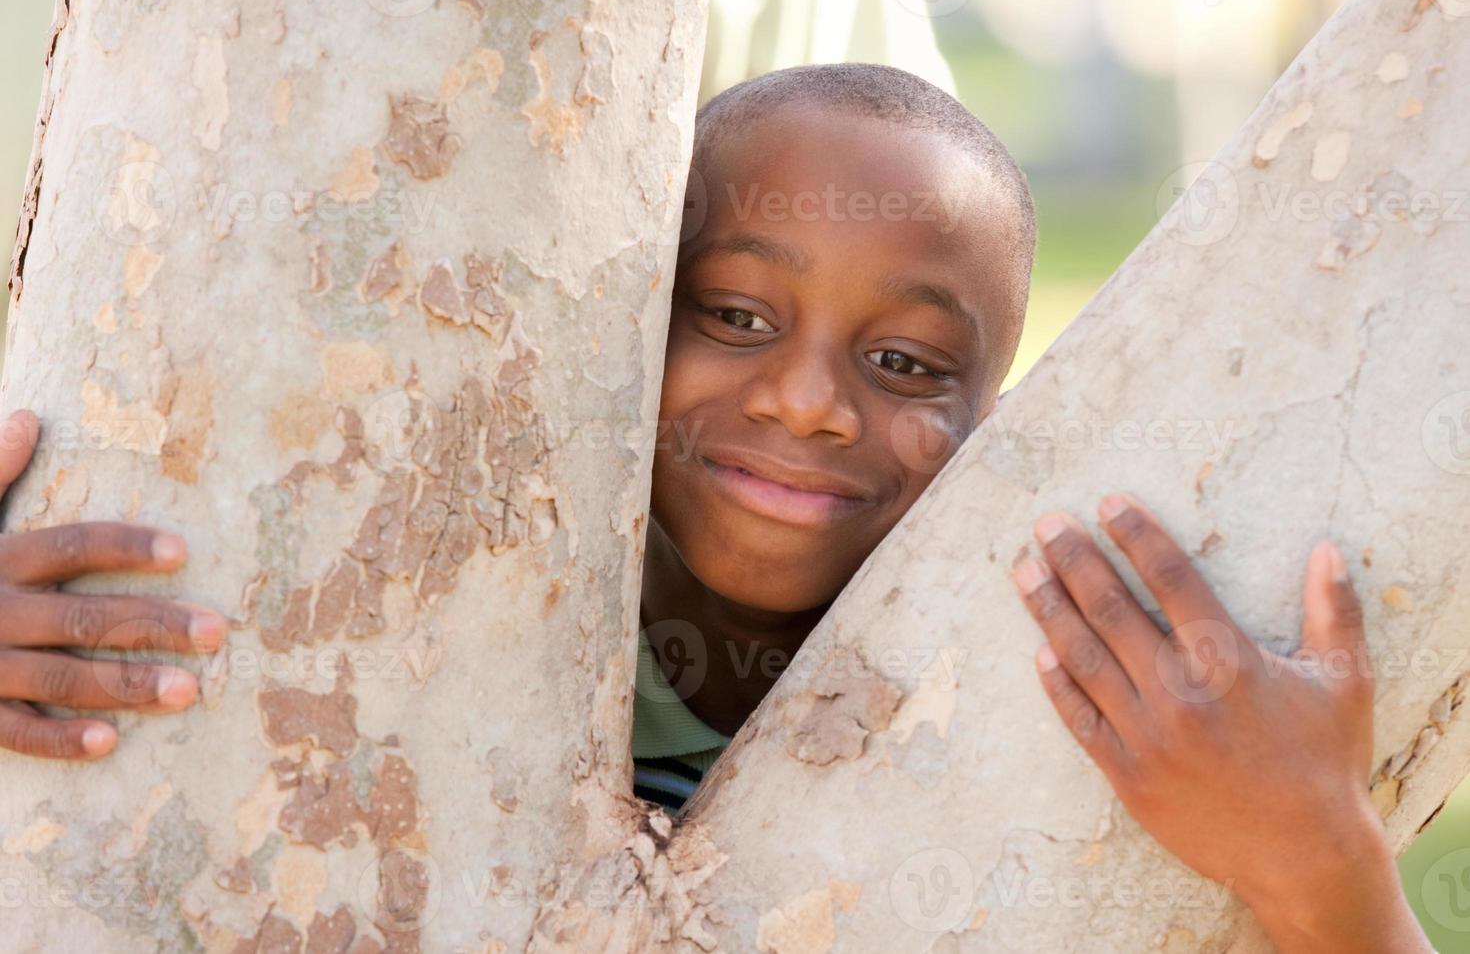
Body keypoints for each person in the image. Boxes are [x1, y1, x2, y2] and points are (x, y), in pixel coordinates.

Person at [0, 65, 1435, 952]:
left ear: (996, 429)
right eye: (734, 313)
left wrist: (1320, 868)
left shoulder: (1034, 701)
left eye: (903, 365)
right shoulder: (403, 596)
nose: (809, 402)